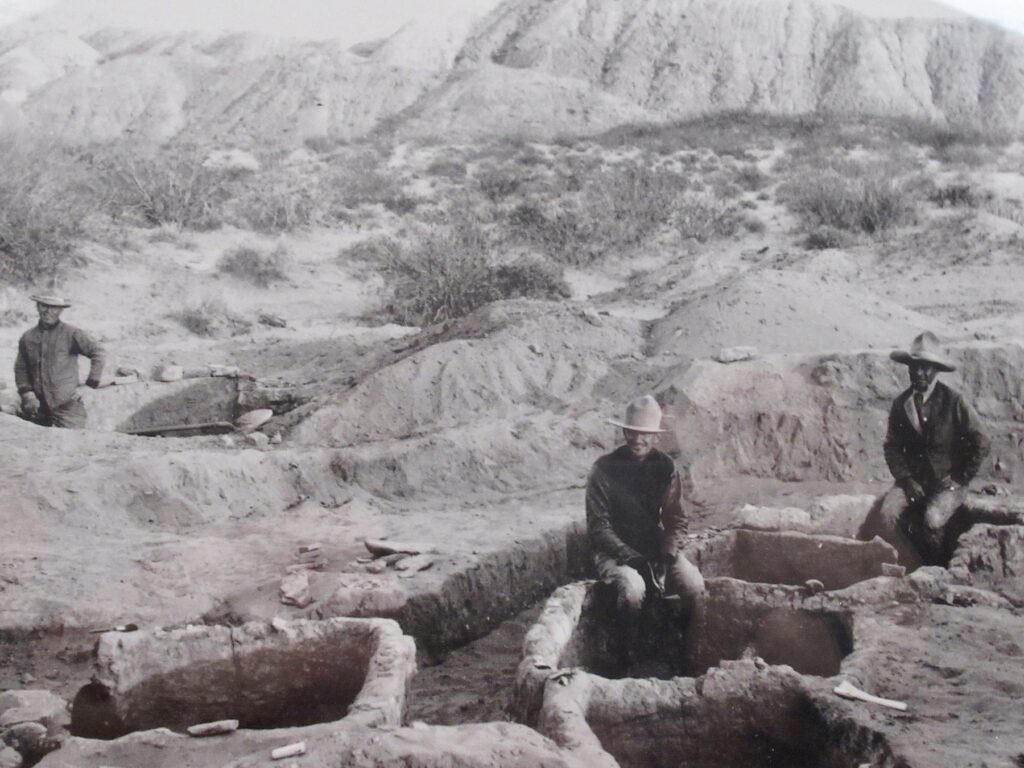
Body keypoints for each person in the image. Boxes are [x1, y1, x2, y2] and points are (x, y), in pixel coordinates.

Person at [585, 395, 705, 665]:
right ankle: (626, 659)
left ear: (656, 437)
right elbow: (599, 528)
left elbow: (677, 518)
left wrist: (668, 554)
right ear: (624, 432)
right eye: (632, 432)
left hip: (653, 548)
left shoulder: (666, 468)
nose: (638, 440)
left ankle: (689, 655)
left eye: (646, 434)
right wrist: (632, 558)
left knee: (694, 585)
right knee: (633, 589)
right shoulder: (603, 470)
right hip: (613, 550)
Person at [859, 332, 989, 567]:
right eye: (915, 367)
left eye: (925, 368)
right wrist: (907, 480)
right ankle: (907, 564)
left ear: (936, 370)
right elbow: (892, 446)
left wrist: (959, 477)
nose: (919, 373)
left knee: (932, 518)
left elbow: (981, 441)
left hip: (948, 482)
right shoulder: (901, 404)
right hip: (913, 480)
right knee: (887, 515)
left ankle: (938, 569)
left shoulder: (954, 401)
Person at [14, 294, 106, 429]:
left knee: (74, 444)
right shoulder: (28, 337)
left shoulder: (72, 333)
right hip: (38, 406)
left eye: (54, 308)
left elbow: (98, 352)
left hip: (67, 405)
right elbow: (21, 368)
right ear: (38, 307)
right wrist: (27, 393)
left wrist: (90, 385)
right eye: (44, 306)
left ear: (61, 310)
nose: (48, 311)